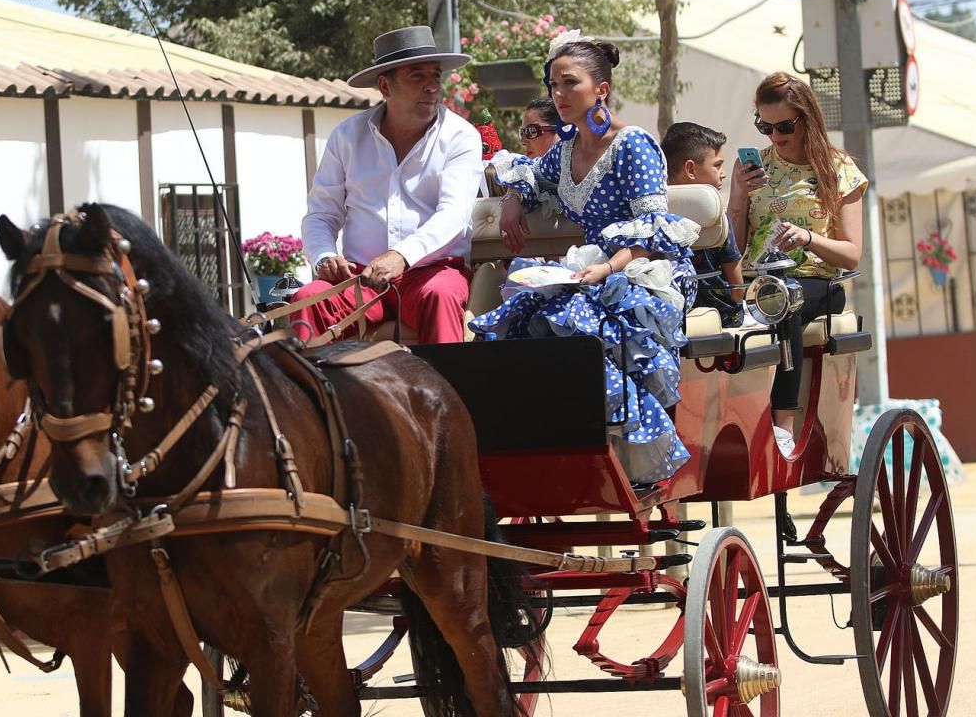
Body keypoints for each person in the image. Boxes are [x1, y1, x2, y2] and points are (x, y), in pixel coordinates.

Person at [471, 31, 700, 485]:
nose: (558, 95)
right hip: (591, 269)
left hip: (643, 270)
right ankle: (547, 450)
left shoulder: (632, 145)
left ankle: (621, 452)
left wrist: (607, 268)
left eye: (569, 84)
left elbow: (654, 233)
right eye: (553, 85)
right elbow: (531, 176)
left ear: (601, 90)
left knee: (575, 316)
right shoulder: (566, 148)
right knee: (520, 313)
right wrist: (516, 199)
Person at [295, 25, 483, 345]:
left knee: (441, 295)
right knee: (308, 300)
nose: (431, 87)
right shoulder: (346, 137)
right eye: (416, 76)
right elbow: (320, 214)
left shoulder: (461, 137)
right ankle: (311, 396)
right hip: (360, 280)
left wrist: (402, 256)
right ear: (385, 85)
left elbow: (454, 213)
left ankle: (452, 393)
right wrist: (324, 256)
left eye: (435, 76)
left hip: (431, 275)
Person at [729, 72, 866, 455]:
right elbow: (733, 247)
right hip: (755, 282)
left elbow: (853, 253)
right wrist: (738, 194)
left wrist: (809, 238)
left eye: (784, 125)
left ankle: (783, 425)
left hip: (814, 282)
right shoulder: (755, 170)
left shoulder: (839, 171)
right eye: (764, 126)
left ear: (807, 118)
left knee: (781, 300)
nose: (774, 135)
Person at [662, 122, 745, 327]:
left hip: (667, 312)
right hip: (722, 316)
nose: (723, 173)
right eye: (717, 165)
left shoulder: (653, 214)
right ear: (690, 168)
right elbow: (737, 289)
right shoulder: (716, 217)